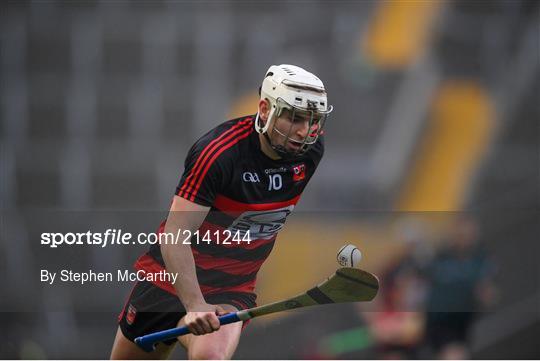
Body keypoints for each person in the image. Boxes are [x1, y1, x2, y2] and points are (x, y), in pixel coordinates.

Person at [110, 64, 333, 359]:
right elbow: (175, 235)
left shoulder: (311, 153)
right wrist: (194, 305)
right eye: (294, 118)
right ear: (265, 109)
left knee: (211, 357)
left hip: (231, 289)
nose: (304, 131)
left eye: (312, 120)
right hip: (168, 280)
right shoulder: (218, 153)